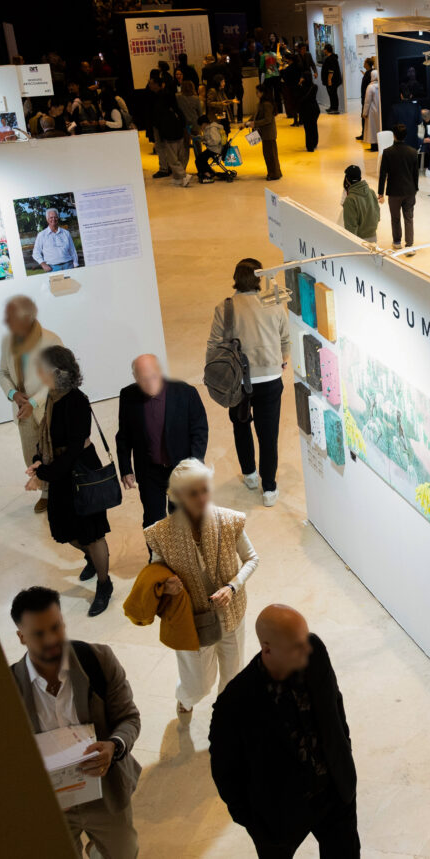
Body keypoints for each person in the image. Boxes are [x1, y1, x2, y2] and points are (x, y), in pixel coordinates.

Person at [209, 604, 360, 859]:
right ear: (267, 649)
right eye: (296, 646)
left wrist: (344, 749)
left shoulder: (314, 652)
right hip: (280, 816)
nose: (307, 650)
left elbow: (335, 704)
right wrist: (254, 822)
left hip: (335, 792)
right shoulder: (235, 703)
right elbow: (225, 772)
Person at [10, 587, 140, 859]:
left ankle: (98, 848)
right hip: (52, 807)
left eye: (56, 627)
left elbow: (128, 718)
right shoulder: (8, 688)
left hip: (106, 795)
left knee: (124, 853)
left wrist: (113, 746)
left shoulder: (98, 660)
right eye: (38, 633)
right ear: (21, 637)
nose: (51, 640)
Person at [145, 459, 258, 723]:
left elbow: (252, 559)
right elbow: (155, 571)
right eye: (193, 493)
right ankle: (185, 697)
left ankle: (227, 716)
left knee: (232, 676)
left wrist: (233, 586)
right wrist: (166, 584)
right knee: (197, 684)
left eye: (204, 489)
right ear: (178, 497)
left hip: (231, 612)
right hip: (191, 619)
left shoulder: (229, 521)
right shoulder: (162, 534)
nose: (202, 497)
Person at [23, 346, 114, 616]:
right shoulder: (52, 397)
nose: (37, 373)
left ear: (55, 372)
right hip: (61, 472)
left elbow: (74, 448)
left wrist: (44, 475)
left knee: (92, 533)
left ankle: (104, 583)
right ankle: (91, 559)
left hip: (80, 472)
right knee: (64, 529)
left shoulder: (76, 400)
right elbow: (46, 437)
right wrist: (40, 458)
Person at [207, 258, 290, 506]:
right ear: (259, 279)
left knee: (241, 426)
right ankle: (269, 489)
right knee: (268, 435)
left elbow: (214, 345)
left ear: (236, 278)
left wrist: (214, 375)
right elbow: (285, 339)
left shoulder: (225, 307)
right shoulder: (274, 304)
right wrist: (281, 360)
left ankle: (250, 475)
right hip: (270, 379)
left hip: (238, 381)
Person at [116, 353, 208, 535]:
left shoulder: (186, 393)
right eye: (143, 379)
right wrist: (126, 468)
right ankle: (156, 559)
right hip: (149, 472)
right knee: (153, 520)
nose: (149, 383)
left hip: (181, 470)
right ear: (135, 378)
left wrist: (194, 464)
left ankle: (183, 557)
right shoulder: (128, 396)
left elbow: (199, 430)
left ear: (160, 372)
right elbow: (124, 436)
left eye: (153, 377)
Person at [0, 296, 63, 514]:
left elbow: (58, 377)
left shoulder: (51, 340)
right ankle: (45, 492)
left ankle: (61, 491)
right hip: (21, 410)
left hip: (47, 408)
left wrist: (33, 401)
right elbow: (2, 373)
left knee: (53, 452)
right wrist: (13, 394)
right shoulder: (8, 341)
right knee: (31, 453)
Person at [378, 123, 419, 254]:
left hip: (394, 191)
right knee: (409, 217)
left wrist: (380, 192)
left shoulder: (388, 152)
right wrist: (415, 188)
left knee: (395, 218)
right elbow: (415, 174)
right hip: (409, 191)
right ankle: (410, 246)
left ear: (394, 136)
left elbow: (383, 174)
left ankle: (397, 242)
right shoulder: (413, 152)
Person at [148, 72, 191, 187]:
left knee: (172, 156)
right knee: (177, 154)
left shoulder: (162, 98)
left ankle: (182, 175)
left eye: (151, 83)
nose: (150, 86)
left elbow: (161, 116)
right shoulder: (166, 96)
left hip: (168, 130)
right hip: (174, 129)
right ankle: (178, 177)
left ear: (158, 84)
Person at [250, 83, 282, 181]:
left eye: (258, 92)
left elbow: (267, 119)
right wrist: (248, 122)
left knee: (270, 154)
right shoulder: (262, 103)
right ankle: (275, 172)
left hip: (268, 133)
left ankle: (274, 174)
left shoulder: (267, 104)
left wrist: (255, 123)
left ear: (263, 93)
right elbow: (256, 115)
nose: (256, 94)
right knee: (269, 154)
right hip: (265, 133)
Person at [32, 207, 79, 272]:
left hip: (69, 266)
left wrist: (75, 264)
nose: (53, 219)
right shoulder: (41, 235)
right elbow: (36, 252)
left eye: (55, 217)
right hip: (53, 268)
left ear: (58, 218)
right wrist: (43, 264)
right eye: (51, 217)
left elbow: (72, 250)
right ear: (47, 219)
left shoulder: (66, 233)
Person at [342, 165, 380, 241]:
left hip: (359, 240)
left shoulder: (350, 199)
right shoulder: (371, 192)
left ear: (347, 180)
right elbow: (377, 214)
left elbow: (350, 227)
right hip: (373, 237)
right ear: (360, 177)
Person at [194, 114, 224, 183]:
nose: (200, 128)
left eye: (200, 125)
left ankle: (207, 174)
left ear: (204, 124)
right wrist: (201, 138)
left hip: (215, 149)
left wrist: (207, 142)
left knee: (199, 159)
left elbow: (216, 140)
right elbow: (208, 138)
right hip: (213, 148)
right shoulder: (208, 128)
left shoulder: (212, 128)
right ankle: (209, 172)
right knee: (201, 159)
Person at [297, 68, 320, 152]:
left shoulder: (302, 87)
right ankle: (314, 142)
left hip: (306, 110)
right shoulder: (315, 87)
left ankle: (310, 146)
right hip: (314, 109)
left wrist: (299, 83)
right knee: (313, 126)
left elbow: (297, 96)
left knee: (308, 128)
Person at [281, 52, 301, 126]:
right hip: (298, 87)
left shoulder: (288, 69)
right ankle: (301, 120)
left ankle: (295, 121)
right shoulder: (298, 67)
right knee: (298, 104)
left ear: (290, 60)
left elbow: (285, 78)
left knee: (293, 104)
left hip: (290, 88)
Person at [321, 43, 342, 114]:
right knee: (331, 94)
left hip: (333, 80)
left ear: (326, 50)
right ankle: (332, 107)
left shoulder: (331, 58)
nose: (323, 50)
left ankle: (335, 108)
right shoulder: (331, 58)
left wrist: (329, 80)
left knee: (333, 94)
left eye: (324, 49)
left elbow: (331, 70)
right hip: (332, 80)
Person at [356, 56, 374, 140]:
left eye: (364, 62)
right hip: (364, 98)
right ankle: (364, 133)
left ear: (367, 64)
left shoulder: (369, 73)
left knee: (364, 117)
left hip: (365, 99)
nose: (363, 63)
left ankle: (364, 134)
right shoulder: (369, 73)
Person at [363, 68, 380, 151]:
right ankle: (379, 144)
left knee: (372, 129)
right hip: (379, 110)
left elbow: (367, 101)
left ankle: (373, 145)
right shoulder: (380, 85)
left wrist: (364, 112)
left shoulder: (370, 87)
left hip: (372, 110)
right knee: (378, 127)